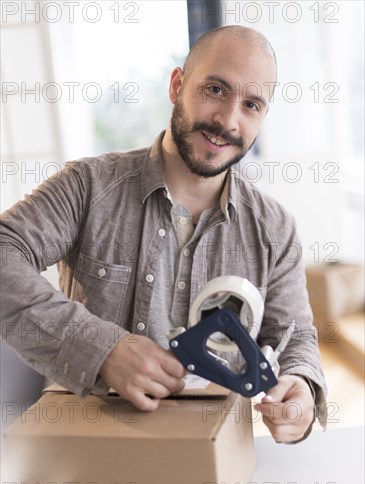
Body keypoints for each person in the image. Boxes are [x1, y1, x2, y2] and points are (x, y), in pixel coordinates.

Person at [0, 25, 327, 443]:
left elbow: (294, 336)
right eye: (215, 89)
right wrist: (101, 348)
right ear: (177, 86)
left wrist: (300, 386)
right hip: (87, 443)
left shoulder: (275, 229)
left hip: (212, 449)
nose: (228, 120)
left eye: (251, 104)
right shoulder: (87, 185)